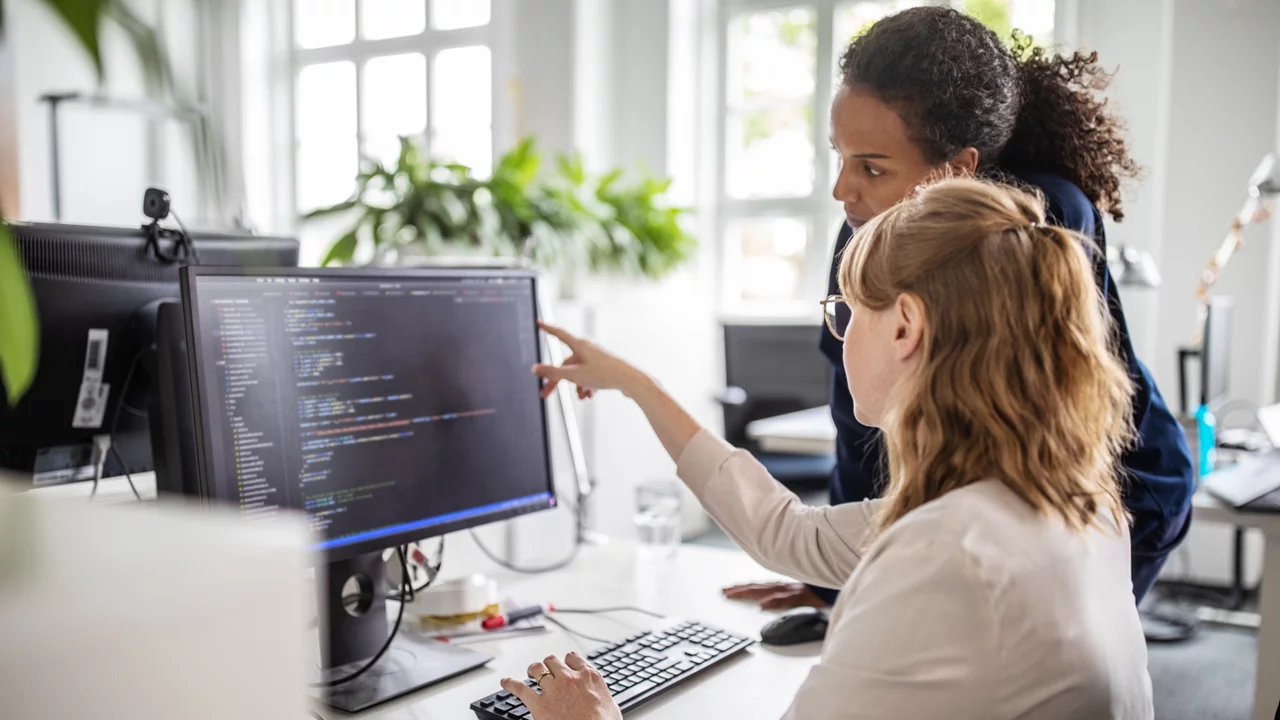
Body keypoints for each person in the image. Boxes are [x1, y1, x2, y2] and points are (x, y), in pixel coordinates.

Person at [506, 178, 1153, 719]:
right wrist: (638, 386)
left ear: (905, 326)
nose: (839, 339)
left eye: (846, 314)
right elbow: (790, 532)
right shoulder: (1072, 503)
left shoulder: (945, 555)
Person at [725, 5, 1194, 612]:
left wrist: (875, 580)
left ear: (958, 168)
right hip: (983, 507)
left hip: (1112, 491)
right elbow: (857, 420)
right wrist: (833, 582)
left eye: (872, 167)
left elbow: (1027, 432)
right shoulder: (862, 227)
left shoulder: (1039, 219)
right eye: (840, 156)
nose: (843, 190)